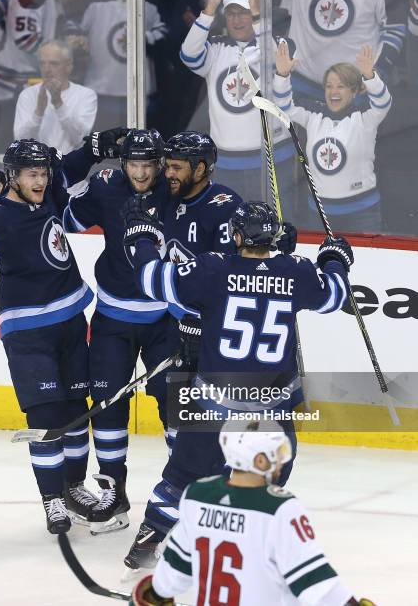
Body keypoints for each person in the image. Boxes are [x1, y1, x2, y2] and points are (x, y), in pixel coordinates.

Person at [121, 199, 352, 570]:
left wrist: (142, 237)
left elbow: (150, 279)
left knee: (181, 478)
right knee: (264, 489)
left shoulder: (212, 268)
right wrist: (335, 258)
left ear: (238, 235)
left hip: (214, 406)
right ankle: (247, 559)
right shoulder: (297, 271)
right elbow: (336, 295)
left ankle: (148, 542)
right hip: (272, 413)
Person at [0, 130, 125, 534]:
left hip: (69, 323)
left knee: (74, 413)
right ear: (13, 176)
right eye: (31, 174)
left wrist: (94, 147)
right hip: (28, 334)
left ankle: (73, 487)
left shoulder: (48, 193)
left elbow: (71, 167)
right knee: (46, 418)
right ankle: (52, 498)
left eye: (42, 173)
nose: (40, 180)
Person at [123, 130, 247, 570]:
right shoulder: (162, 196)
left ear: (201, 169)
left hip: (214, 345)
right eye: (166, 165)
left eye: (175, 166)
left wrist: (138, 243)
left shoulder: (225, 207)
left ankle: (192, 524)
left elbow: (212, 283)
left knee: (208, 445)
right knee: (185, 435)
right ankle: (192, 525)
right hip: (180, 334)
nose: (166, 172)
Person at [62, 128, 177, 535]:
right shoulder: (106, 185)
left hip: (166, 319)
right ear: (122, 163)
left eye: (149, 164)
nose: (142, 173)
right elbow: (56, 204)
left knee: (176, 402)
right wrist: (86, 151)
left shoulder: (175, 188)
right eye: (134, 164)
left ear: (160, 163)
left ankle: (185, 491)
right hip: (113, 317)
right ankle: (114, 492)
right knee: (108, 401)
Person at [130, 419, 376, 606]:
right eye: (277, 453)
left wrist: (152, 594)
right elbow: (318, 585)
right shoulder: (279, 509)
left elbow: (171, 576)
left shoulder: (197, 496)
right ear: (260, 461)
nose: (282, 460)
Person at [179, 0, 297, 218]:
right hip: (226, 165)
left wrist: (257, 16)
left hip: (272, 162)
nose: (237, 19)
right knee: (227, 228)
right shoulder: (215, 48)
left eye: (243, 12)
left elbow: (275, 60)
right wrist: (209, 10)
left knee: (277, 227)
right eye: (231, 13)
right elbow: (189, 55)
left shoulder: (279, 43)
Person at [274, 41, 392, 233]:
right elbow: (284, 106)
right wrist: (282, 75)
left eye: (341, 86)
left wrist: (370, 76)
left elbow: (383, 102)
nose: (334, 92)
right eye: (329, 86)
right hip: (320, 213)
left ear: (354, 92)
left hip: (362, 213)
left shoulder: (364, 118)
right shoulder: (314, 116)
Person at [284, 0, 405, 107]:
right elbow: (280, 15)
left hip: (356, 92)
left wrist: (375, 73)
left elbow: (394, 28)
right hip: (300, 86)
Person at [0, 0, 62, 151]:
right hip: (13, 81)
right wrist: (61, 52)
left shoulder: (50, 1)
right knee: (8, 135)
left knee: (28, 137)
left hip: (26, 79)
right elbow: (25, 40)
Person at [79, 0, 167, 129]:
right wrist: (77, 40)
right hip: (100, 90)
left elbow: (164, 32)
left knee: (133, 143)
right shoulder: (96, 7)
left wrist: (144, 37)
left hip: (137, 94)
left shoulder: (149, 8)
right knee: (102, 141)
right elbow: (74, 28)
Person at [14, 40, 97, 154]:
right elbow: (20, 141)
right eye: (42, 63)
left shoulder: (86, 95)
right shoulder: (28, 94)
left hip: (69, 165)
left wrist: (58, 103)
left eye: (53, 64)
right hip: (35, 165)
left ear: (68, 66)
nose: (47, 69)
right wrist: (38, 112)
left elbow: (79, 138)